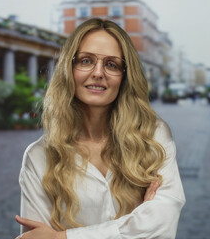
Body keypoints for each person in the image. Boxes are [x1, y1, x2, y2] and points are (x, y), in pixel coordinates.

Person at [15, 18, 185, 239]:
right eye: (86, 61)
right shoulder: (39, 156)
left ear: (125, 75)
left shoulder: (153, 136)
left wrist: (63, 237)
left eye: (111, 64)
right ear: (69, 68)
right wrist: (138, 223)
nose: (98, 72)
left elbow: (163, 223)